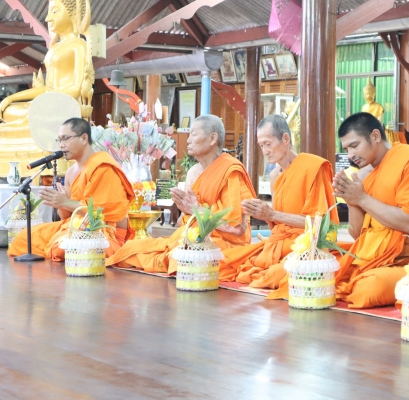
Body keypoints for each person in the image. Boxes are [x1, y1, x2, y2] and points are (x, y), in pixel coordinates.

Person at [106, 115, 256, 274]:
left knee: (181, 259)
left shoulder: (231, 172)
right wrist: (186, 211)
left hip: (223, 245)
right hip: (191, 238)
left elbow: (237, 228)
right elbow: (182, 222)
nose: (188, 140)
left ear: (212, 138)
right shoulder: (193, 172)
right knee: (132, 249)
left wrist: (196, 210)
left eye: (193, 134)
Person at [333, 112, 409, 308]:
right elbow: (357, 234)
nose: (350, 155)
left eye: (354, 145)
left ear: (375, 136)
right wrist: (351, 200)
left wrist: (362, 198)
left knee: (369, 287)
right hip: (369, 258)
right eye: (346, 149)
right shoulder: (363, 174)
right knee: (322, 270)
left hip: (407, 261)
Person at [219, 114, 338, 291]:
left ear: (285, 139)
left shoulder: (313, 168)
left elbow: (319, 224)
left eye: (268, 144)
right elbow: (277, 224)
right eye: (261, 146)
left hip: (306, 243)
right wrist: (262, 214)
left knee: (273, 275)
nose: (265, 151)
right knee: (225, 263)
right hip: (279, 242)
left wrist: (271, 214)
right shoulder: (275, 175)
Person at [8, 118, 134, 260]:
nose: (61, 145)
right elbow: (66, 217)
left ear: (84, 138)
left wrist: (65, 202)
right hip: (74, 226)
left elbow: (100, 212)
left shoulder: (103, 167)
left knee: (64, 246)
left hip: (104, 231)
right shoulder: (70, 172)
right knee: (24, 239)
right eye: (59, 140)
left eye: (66, 138)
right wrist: (61, 203)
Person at [0, 0, 93, 176]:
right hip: (47, 103)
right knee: (10, 111)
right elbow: (47, 88)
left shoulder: (78, 45)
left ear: (72, 14)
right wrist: (12, 98)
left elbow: (76, 87)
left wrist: (46, 101)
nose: (49, 18)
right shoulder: (54, 48)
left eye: (55, 12)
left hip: (61, 105)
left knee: (35, 112)